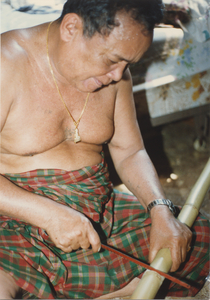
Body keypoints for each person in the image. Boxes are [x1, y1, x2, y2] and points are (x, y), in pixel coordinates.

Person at [0, 0, 209, 298]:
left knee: (195, 235)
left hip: (100, 216)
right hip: (17, 218)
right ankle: (121, 290)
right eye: (112, 60)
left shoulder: (116, 75)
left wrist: (160, 210)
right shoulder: (6, 62)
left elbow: (130, 150)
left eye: (128, 64)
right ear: (71, 27)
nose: (117, 76)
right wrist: (48, 215)